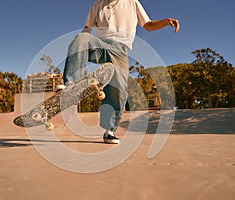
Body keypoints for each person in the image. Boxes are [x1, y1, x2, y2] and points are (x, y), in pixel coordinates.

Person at [60, 0, 179, 144]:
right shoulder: (97, 5)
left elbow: (148, 25)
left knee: (119, 91)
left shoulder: (132, 2)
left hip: (120, 50)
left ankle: (109, 131)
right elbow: (86, 29)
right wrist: (79, 47)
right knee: (81, 38)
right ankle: (72, 83)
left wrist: (165, 22)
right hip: (100, 46)